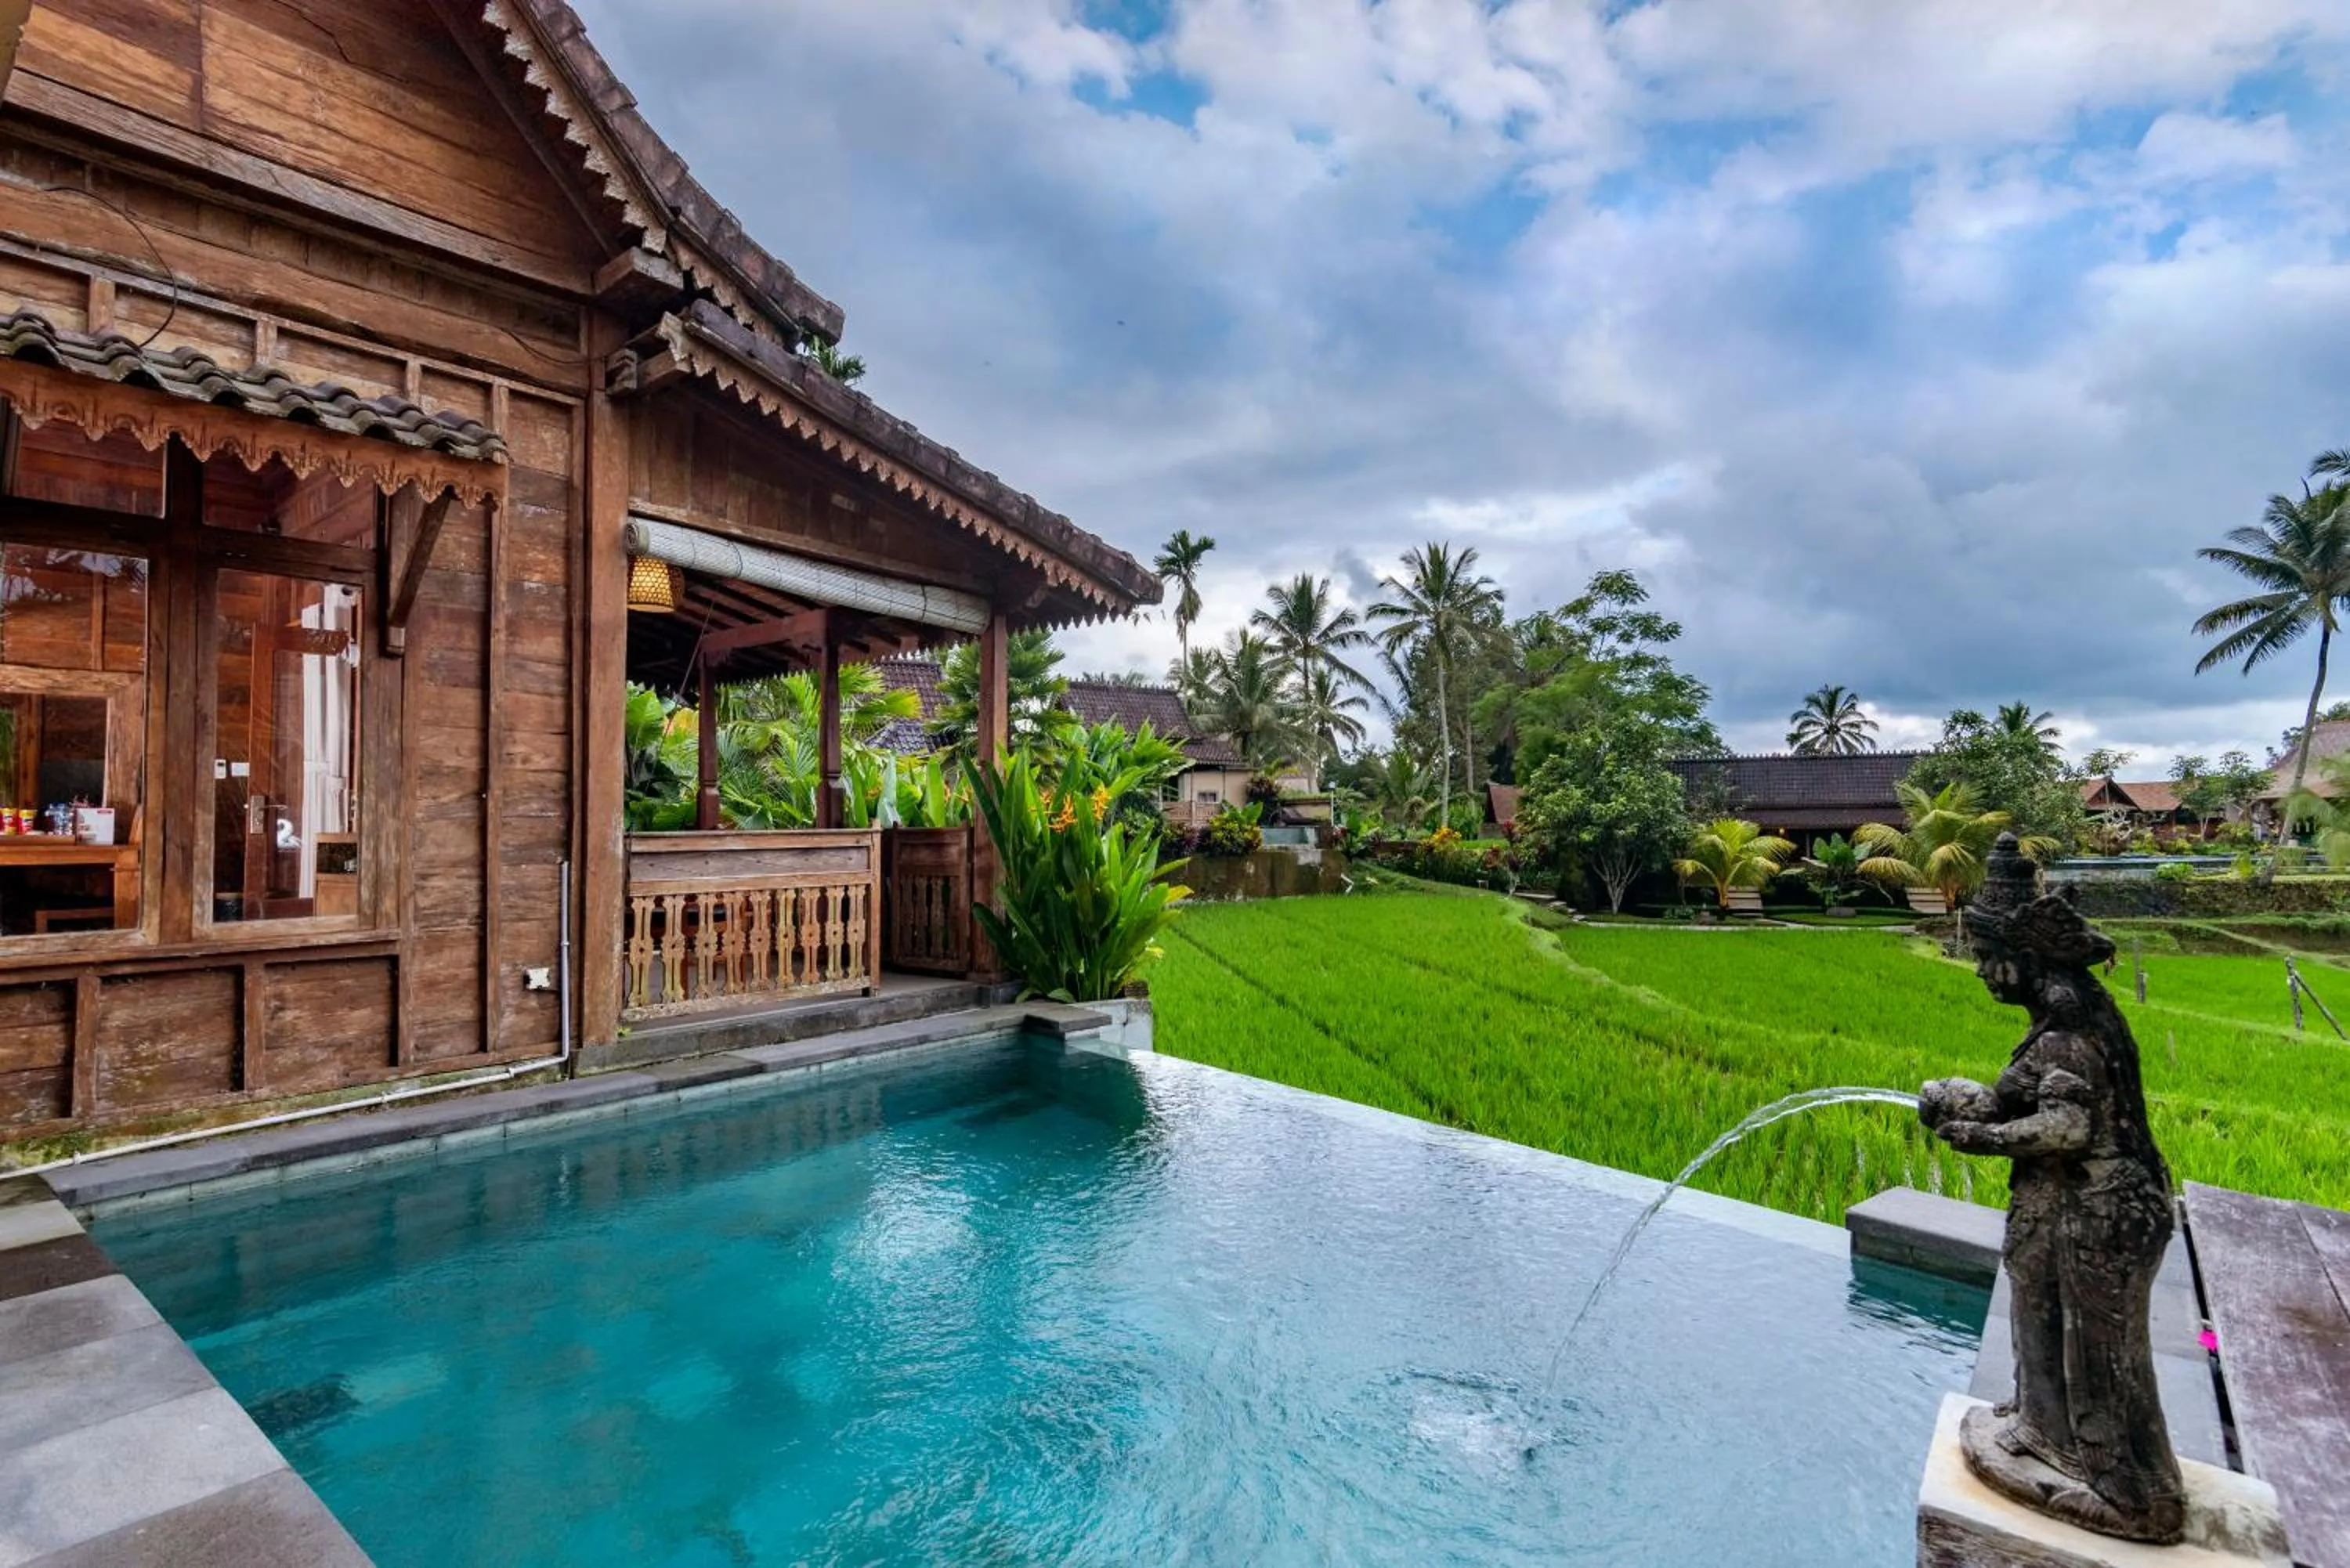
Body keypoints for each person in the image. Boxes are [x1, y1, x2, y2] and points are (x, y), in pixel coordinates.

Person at [1918, 833, 2186, 1545]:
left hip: (2100, 1211)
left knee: (2097, 1353)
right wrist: (1971, 1100)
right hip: (2068, 1208)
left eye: (1985, 957)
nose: (1979, 970)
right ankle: (2045, 1432)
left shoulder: (2069, 1034)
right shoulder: (2054, 1027)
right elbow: (2026, 1100)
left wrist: (1987, 1137)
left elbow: (2068, 1127)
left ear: (2025, 962)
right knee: (2041, 1316)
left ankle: (2134, 1495)